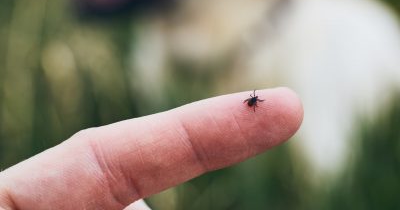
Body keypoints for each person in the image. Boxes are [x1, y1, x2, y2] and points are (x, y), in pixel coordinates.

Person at [0, 88, 302, 210]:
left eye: (253, 101)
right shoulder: (252, 104)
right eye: (253, 101)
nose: (253, 103)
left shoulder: (251, 103)